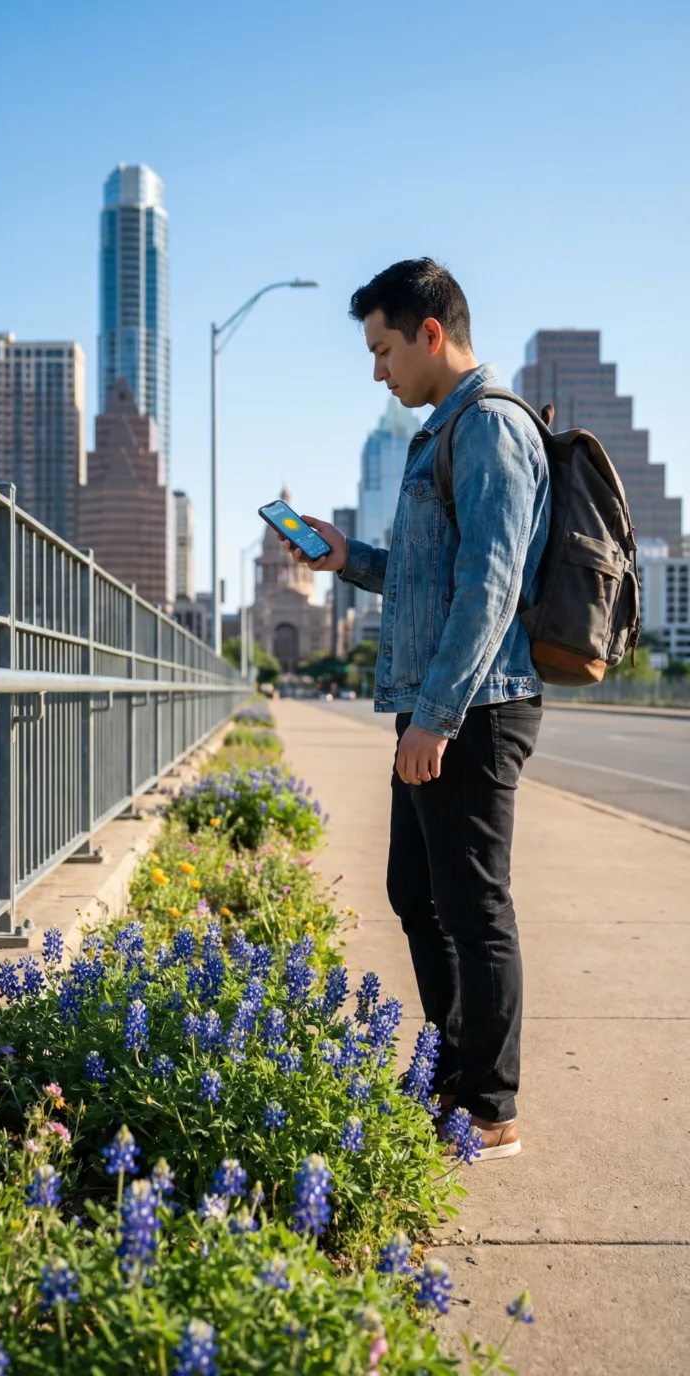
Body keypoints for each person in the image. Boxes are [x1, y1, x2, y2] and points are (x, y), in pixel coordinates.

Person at [279, 258, 551, 1160]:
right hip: (438, 702)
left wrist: (436, 718)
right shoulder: (441, 435)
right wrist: (348, 554)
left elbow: (490, 587)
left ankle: (490, 1108)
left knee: (471, 901)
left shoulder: (491, 430)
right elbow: (426, 579)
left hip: (475, 704)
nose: (376, 369)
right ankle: (450, 1070)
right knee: (416, 890)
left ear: (431, 334)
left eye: (384, 348)